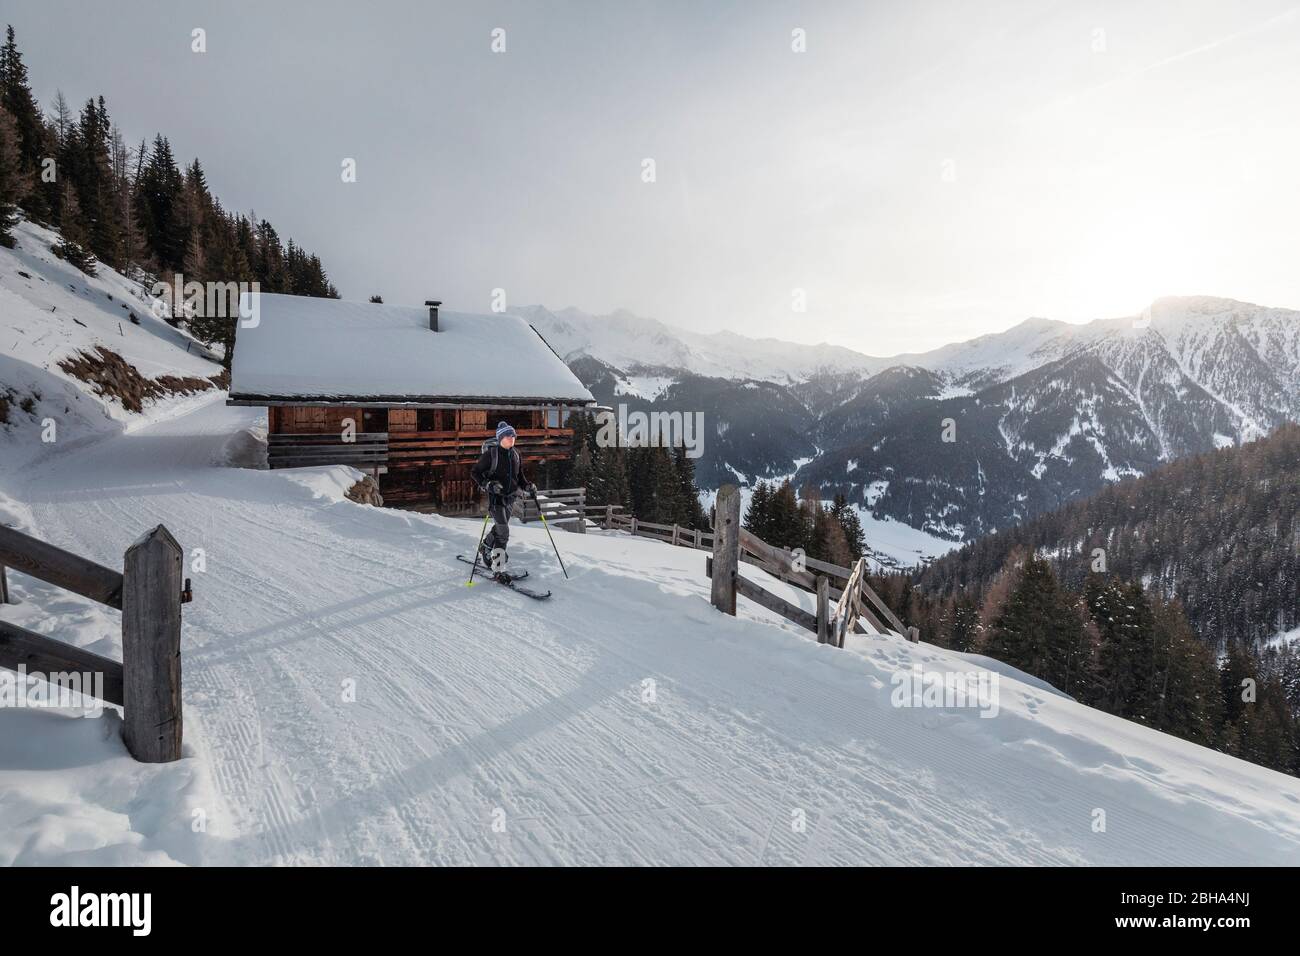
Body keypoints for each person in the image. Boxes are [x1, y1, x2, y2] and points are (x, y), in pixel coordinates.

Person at [471, 421, 536, 570]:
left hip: (510, 498)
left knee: (501, 528)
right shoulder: (490, 455)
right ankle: (499, 567)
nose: (511, 438)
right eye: (507, 436)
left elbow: (519, 477)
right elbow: (475, 472)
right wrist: (487, 484)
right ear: (500, 438)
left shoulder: (516, 454)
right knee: (504, 532)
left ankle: (486, 546)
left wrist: (527, 486)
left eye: (513, 435)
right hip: (496, 499)